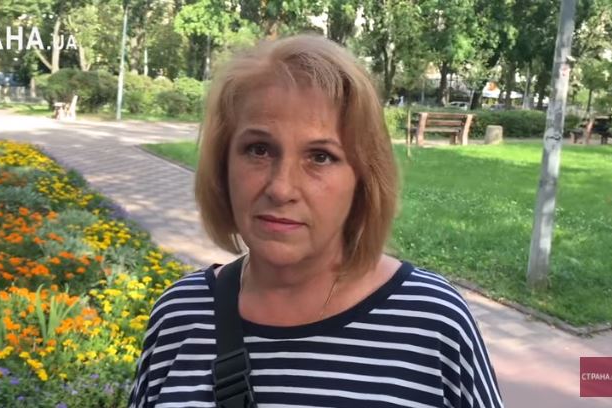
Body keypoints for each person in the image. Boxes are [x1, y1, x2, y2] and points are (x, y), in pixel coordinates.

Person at [128, 34, 503, 408]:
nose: (281, 188)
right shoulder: (181, 315)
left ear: (363, 180)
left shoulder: (433, 323)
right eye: (259, 150)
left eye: (320, 157)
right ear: (223, 165)